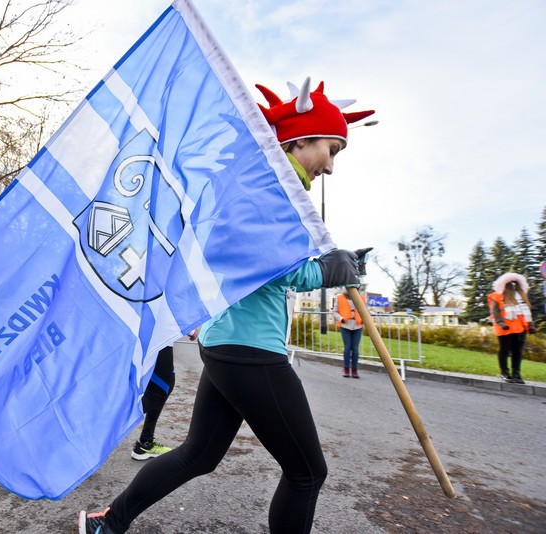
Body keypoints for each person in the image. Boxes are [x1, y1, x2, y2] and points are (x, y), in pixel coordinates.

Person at [78, 77, 374, 534]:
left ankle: (108, 522)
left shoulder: (265, 189)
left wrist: (335, 263)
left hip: (227, 343)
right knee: (307, 473)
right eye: (330, 150)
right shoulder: (271, 192)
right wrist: (329, 271)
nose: (331, 167)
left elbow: (264, 259)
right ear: (299, 141)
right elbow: (271, 266)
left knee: (198, 455)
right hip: (248, 348)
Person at [488, 272, 535, 384]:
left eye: (516, 283)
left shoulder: (521, 296)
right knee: (504, 350)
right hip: (506, 328)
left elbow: (526, 312)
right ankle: (505, 373)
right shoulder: (497, 295)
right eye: (511, 283)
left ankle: (516, 374)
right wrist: (501, 323)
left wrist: (531, 325)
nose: (513, 285)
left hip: (521, 328)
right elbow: (495, 311)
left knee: (517, 352)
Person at [131, 345, 176, 460]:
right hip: (161, 339)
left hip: (160, 339)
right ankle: (92, 433)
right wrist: (190, 331)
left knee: (160, 388)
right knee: (159, 392)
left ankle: (146, 441)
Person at [334, 288, 366, 378]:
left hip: (357, 325)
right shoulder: (340, 298)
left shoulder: (361, 298)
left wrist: (364, 320)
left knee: (355, 349)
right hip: (345, 325)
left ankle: (355, 370)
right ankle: (346, 369)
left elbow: (365, 311)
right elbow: (335, 312)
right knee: (347, 347)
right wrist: (341, 319)